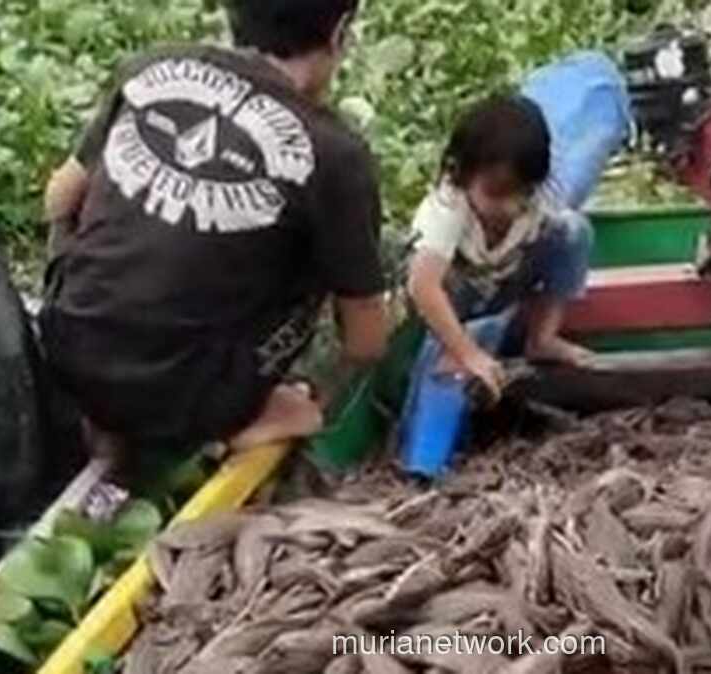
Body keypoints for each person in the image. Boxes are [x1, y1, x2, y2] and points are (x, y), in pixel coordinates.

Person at [39, 0, 389, 461]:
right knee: (329, 261)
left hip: (65, 343)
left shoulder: (155, 66)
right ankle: (248, 415)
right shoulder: (337, 155)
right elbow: (366, 341)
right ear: (340, 31)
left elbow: (60, 198)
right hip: (184, 400)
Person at [406, 95, 594, 403]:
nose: (510, 206)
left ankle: (542, 338)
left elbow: (560, 249)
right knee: (439, 297)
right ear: (463, 174)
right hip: (455, 303)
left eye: (523, 192)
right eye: (497, 193)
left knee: (573, 230)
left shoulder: (532, 207)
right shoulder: (447, 208)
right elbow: (423, 286)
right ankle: (450, 346)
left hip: (503, 288)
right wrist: (466, 352)